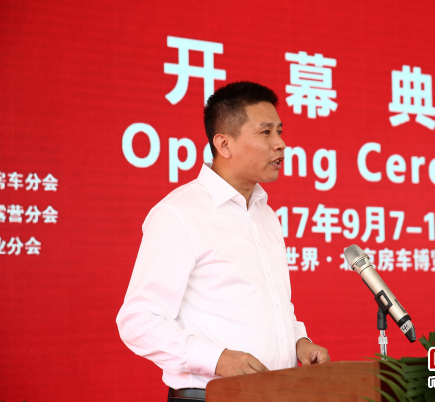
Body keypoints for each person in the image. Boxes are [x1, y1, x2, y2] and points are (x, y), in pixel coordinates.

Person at [116, 81, 330, 402]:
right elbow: (138, 321)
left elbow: (273, 305)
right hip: (209, 395)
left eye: (280, 131)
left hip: (275, 394)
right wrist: (216, 359)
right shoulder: (179, 213)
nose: (281, 144)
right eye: (266, 132)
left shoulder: (266, 215)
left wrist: (299, 341)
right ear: (224, 144)